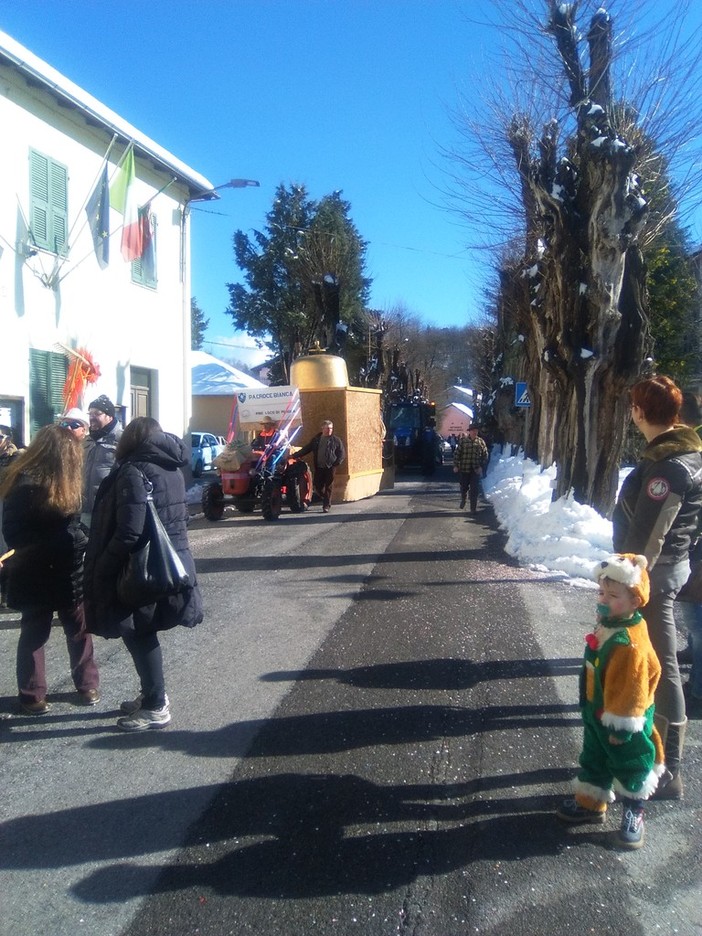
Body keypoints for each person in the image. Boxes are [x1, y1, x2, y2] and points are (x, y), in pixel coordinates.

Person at [612, 375, 702, 798]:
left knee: (662, 667)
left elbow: (649, 536)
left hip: (654, 576)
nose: (632, 411)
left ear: (640, 412)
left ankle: (669, 771)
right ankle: (651, 752)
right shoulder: (683, 454)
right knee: (653, 662)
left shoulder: (668, 465)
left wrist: (629, 579)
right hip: (672, 567)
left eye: (634, 405)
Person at [83, 417, 203, 731]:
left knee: (139, 631)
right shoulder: (171, 467)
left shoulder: (134, 470)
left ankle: (155, 704)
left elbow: (129, 532)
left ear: (130, 439)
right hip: (170, 560)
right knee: (142, 630)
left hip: (141, 566)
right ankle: (152, 694)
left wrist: (104, 564)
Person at [557, 554, 664, 849]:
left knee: (630, 762)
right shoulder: (612, 623)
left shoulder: (629, 642)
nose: (603, 599)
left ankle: (634, 811)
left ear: (635, 601)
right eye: (601, 592)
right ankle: (591, 801)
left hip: (622, 719)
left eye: (613, 596)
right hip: (598, 709)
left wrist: (621, 728)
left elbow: (632, 690)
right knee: (594, 755)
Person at [0, 424, 100, 714]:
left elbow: (71, 524)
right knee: (46, 632)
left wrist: (77, 537)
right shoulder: (26, 482)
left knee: (74, 629)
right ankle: (36, 694)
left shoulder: (53, 478)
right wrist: (73, 540)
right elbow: (15, 533)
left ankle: (82, 686)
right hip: (44, 568)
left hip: (52, 568)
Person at [676, 391, 702, 714]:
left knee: (696, 611)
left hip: (698, 539)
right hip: (695, 537)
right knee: (692, 603)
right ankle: (692, 651)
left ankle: (698, 688)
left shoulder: (693, 446)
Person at [82, 394, 122, 529]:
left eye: (97, 414)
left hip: (108, 509)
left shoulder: (121, 439)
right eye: (90, 414)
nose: (92, 418)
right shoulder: (87, 440)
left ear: (109, 416)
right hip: (85, 508)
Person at [293, 419, 346, 512]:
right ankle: (325, 498)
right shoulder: (317, 440)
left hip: (330, 467)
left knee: (328, 486)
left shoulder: (336, 440)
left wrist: (336, 463)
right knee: (317, 486)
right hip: (319, 467)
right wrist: (295, 455)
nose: (329, 430)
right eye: (327, 428)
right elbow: (307, 449)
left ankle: (326, 506)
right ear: (322, 428)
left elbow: (341, 453)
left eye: (331, 428)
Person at [0, 425, 20, 608]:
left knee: (5, 550)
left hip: (7, 507)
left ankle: (6, 592)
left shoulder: (16, 459)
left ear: (7, 439)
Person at [453, 423, 488, 512]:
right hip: (464, 468)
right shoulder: (463, 441)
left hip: (475, 469)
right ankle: (463, 498)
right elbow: (457, 454)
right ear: (469, 431)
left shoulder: (481, 442)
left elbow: (485, 455)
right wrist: (456, 465)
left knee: (474, 489)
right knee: (464, 487)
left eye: (476, 431)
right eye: (473, 431)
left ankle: (473, 508)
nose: (474, 432)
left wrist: (481, 467)